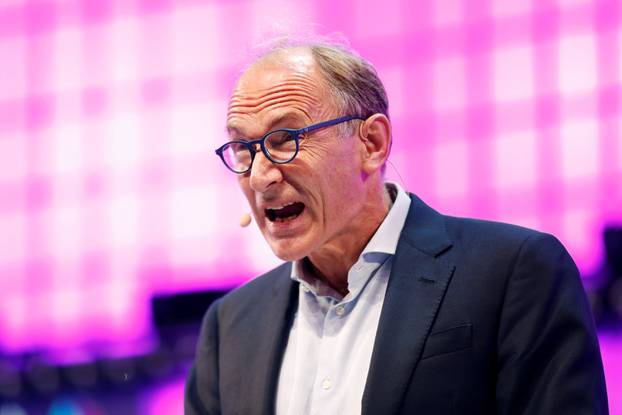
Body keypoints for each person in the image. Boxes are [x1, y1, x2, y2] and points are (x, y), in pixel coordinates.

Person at [185, 39, 608, 415]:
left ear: (371, 144)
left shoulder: (513, 273)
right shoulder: (230, 326)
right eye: (243, 148)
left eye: (285, 140)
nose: (260, 177)